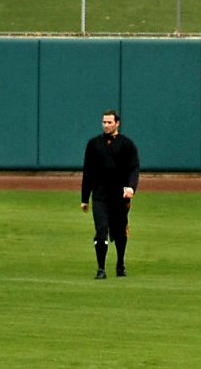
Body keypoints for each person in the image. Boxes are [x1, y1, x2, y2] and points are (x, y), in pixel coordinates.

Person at [81, 109, 140, 278]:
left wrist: (131, 187)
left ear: (117, 123)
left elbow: (133, 168)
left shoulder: (127, 145)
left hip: (119, 196)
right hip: (100, 196)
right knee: (101, 230)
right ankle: (101, 268)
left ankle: (120, 263)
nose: (106, 125)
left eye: (109, 122)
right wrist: (84, 198)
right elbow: (88, 172)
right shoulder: (94, 144)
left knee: (120, 231)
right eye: (104, 122)